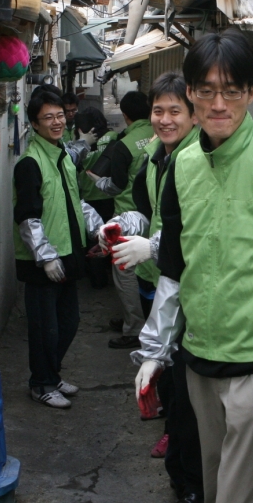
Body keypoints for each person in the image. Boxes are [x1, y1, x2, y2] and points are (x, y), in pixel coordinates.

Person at [132, 30, 253, 503]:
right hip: (199, 361)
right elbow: (175, 264)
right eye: (206, 91)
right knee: (225, 482)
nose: (218, 104)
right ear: (191, 93)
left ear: (251, 94)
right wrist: (156, 349)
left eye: (232, 91)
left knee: (242, 493)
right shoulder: (181, 165)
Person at [101, 72, 204, 502]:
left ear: (193, 116)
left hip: (194, 298)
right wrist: (124, 226)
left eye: (174, 111)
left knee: (190, 409)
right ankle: (180, 475)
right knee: (175, 398)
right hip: (164, 287)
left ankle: (192, 484)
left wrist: (153, 247)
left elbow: (198, 235)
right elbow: (148, 214)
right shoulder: (153, 160)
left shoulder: (199, 162)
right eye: (158, 110)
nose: (164, 120)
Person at [13, 89, 104, 409]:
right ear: (34, 124)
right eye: (47, 117)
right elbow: (27, 217)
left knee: (69, 323)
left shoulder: (62, 154)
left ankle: (52, 374)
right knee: (44, 330)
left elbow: (73, 201)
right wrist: (46, 257)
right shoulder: (30, 163)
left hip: (69, 253)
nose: (56, 122)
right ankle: (40, 383)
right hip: (44, 263)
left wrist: (97, 227)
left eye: (60, 116)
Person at [94, 90, 155, 349]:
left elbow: (117, 186)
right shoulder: (157, 137)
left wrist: (98, 182)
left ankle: (134, 328)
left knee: (126, 273)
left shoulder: (124, 144)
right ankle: (148, 323)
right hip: (155, 217)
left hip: (128, 219)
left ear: (126, 115)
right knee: (150, 274)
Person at [76, 107, 118, 289]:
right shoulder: (113, 138)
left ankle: (97, 279)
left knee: (94, 240)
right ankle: (114, 274)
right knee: (112, 236)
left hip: (88, 199)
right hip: (108, 196)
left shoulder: (79, 144)